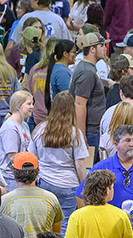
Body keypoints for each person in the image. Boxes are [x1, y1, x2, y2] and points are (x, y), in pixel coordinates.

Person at [29, 91, 89, 223]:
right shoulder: (75, 133)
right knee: (65, 224)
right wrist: (84, 186)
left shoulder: (40, 129)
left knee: (45, 222)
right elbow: (79, 164)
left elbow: (32, 158)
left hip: (44, 182)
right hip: (68, 184)